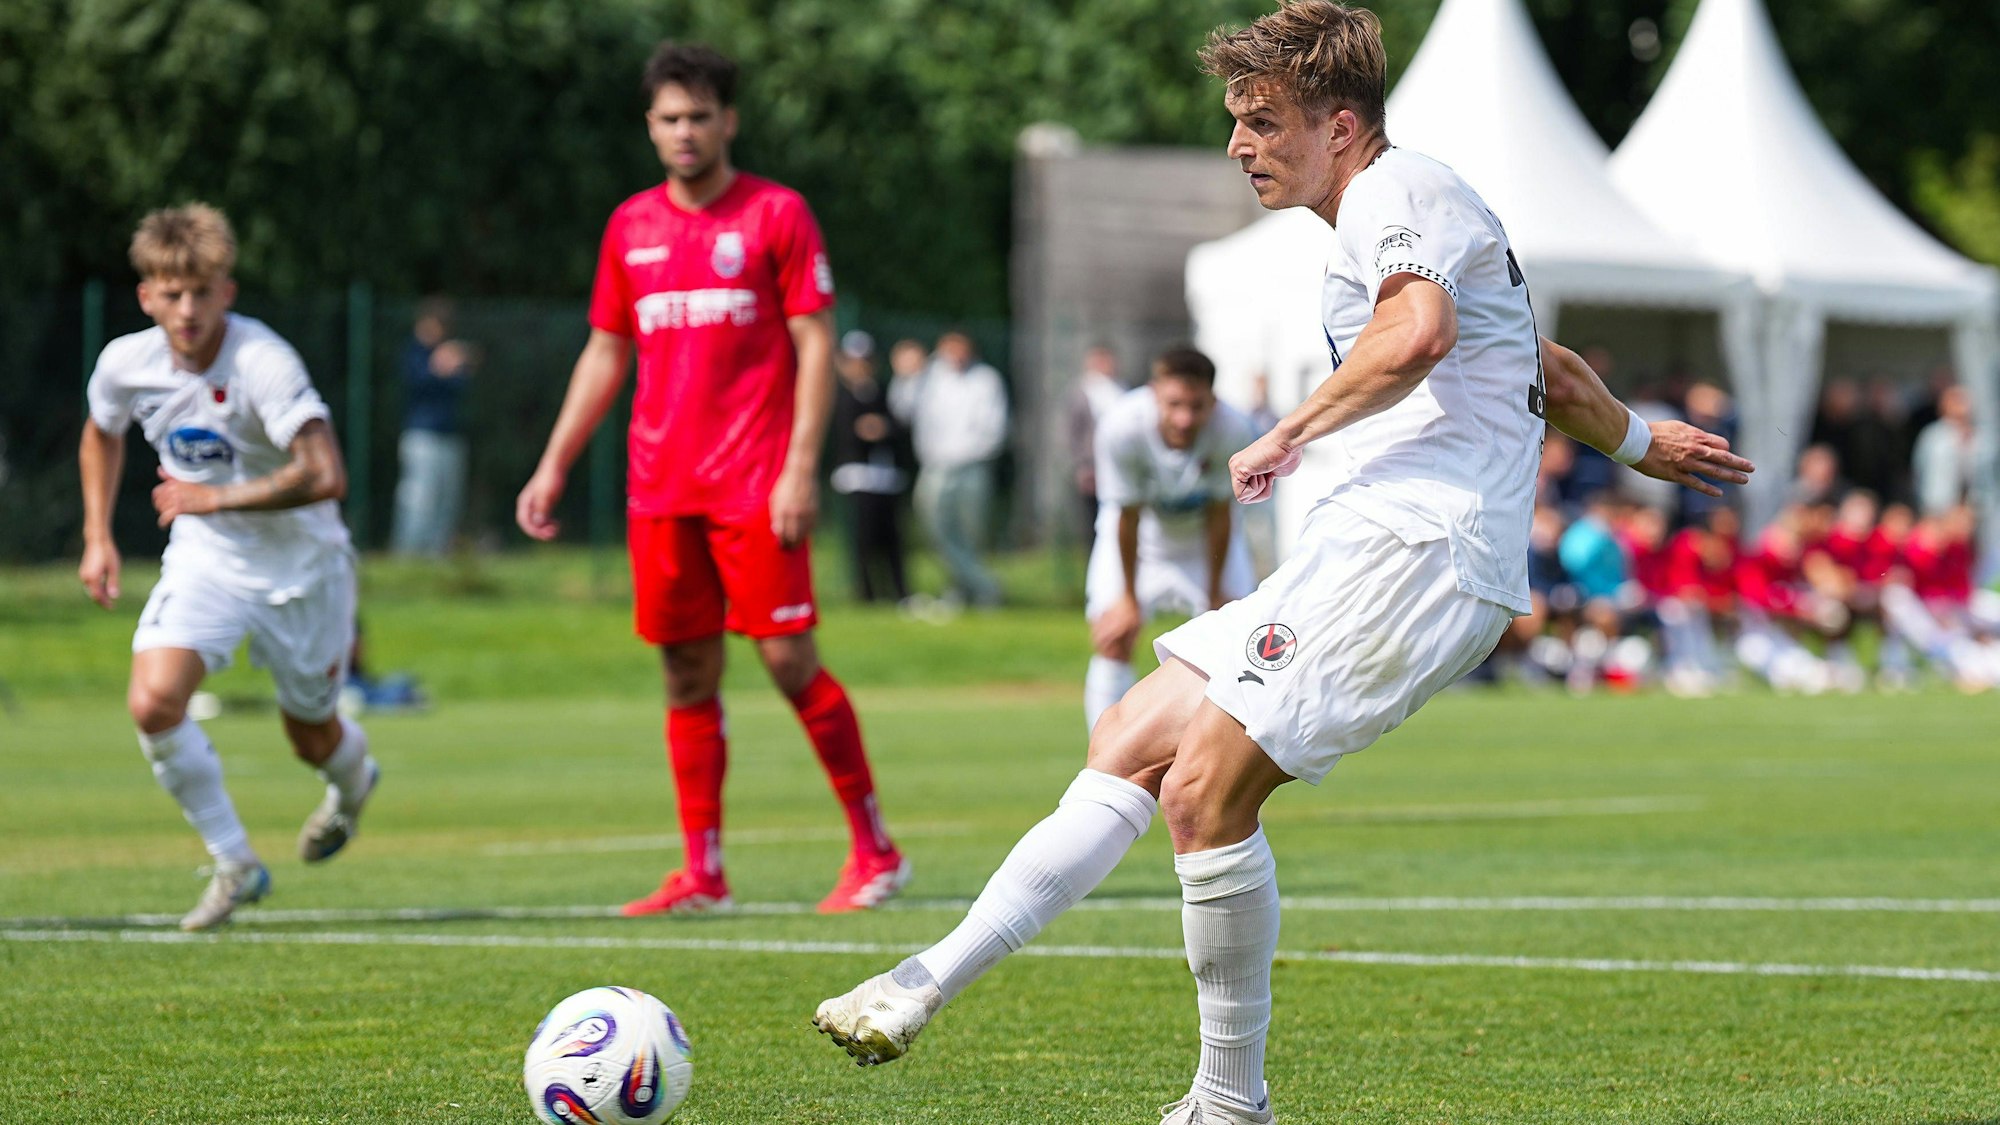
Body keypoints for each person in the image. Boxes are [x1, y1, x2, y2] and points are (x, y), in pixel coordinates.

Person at [810, 6, 1753, 1121]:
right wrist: (1639, 442)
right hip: (1371, 542)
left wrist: (1287, 432)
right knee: (1132, 740)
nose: (1237, 145)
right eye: (1237, 121)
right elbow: (1538, 362)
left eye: (1261, 122)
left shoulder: (1399, 193)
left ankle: (1228, 1103)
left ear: (1339, 126)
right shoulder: (1392, 212)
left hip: (1417, 548)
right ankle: (924, 981)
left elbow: (1420, 334)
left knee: (1203, 793)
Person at [514, 42, 906, 915]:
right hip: (661, 487)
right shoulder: (629, 227)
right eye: (669, 118)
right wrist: (553, 463)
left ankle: (876, 851)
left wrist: (799, 467)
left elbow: (815, 344)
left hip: (756, 483)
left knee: (788, 659)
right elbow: (606, 350)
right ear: (650, 127)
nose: (684, 131)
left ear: (728, 121)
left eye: (699, 116)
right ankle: (703, 873)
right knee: (686, 674)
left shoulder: (776, 213)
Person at [77, 203, 377, 931]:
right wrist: (97, 535)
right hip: (207, 562)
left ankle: (352, 786)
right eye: (171, 293)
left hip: (303, 571)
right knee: (153, 701)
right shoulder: (126, 363)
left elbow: (326, 472)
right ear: (146, 296)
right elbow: (101, 433)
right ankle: (235, 862)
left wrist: (215, 497)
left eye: (201, 292)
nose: (187, 310)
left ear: (227, 292)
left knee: (311, 737)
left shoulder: (262, 363)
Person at [1083, 346, 1256, 731]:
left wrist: (1215, 594)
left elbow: (1220, 514)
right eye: (1174, 404)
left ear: (1213, 402)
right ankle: (1103, 750)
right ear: (1154, 394)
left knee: (1235, 645)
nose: (1184, 418)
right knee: (1114, 634)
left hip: (1203, 542)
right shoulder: (1121, 427)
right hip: (1139, 540)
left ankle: (1207, 750)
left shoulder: (1233, 430)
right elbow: (1126, 516)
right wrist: (1129, 599)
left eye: (1196, 406)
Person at [893, 329, 1009, 607]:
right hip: (935, 467)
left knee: (971, 531)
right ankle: (984, 585)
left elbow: (995, 427)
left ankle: (967, 590)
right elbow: (902, 409)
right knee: (935, 530)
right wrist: (905, 375)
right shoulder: (927, 378)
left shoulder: (985, 379)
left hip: (972, 466)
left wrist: (968, 452)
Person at [828, 330, 910, 603]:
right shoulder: (841, 397)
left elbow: (896, 427)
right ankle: (866, 592)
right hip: (858, 476)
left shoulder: (884, 392)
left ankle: (898, 589)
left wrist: (883, 428)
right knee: (863, 538)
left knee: (891, 537)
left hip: (886, 476)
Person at [390, 297, 474, 556]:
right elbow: (416, 382)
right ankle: (408, 553)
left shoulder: (448, 352)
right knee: (419, 498)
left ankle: (437, 555)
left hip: (449, 434)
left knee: (447, 498)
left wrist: (456, 364)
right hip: (421, 435)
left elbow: (461, 384)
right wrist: (439, 367)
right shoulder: (414, 353)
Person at [1066, 343, 1128, 551]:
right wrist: (1081, 466)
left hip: (1122, 464)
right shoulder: (1081, 392)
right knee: (1093, 520)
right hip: (1093, 467)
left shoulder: (1122, 389)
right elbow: (1071, 432)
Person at [1912, 384, 1985, 516]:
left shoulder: (1981, 436)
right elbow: (1919, 471)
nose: (1961, 405)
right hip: (1939, 506)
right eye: (1956, 400)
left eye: (1963, 400)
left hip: (1975, 507)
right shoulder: (1933, 436)